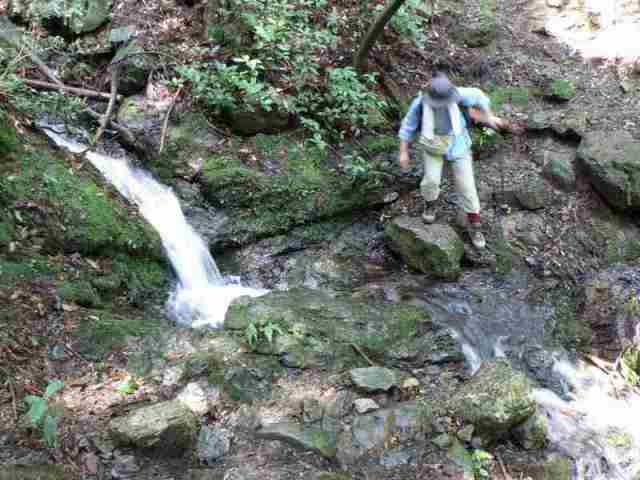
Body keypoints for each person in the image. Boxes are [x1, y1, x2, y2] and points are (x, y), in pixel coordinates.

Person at [398, 72, 507, 249]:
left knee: (467, 186)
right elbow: (408, 125)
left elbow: (480, 96)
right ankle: (430, 205)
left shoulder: (459, 94)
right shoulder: (420, 102)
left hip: (458, 144)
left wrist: (488, 116)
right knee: (431, 181)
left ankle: (475, 224)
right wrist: (403, 152)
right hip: (432, 144)